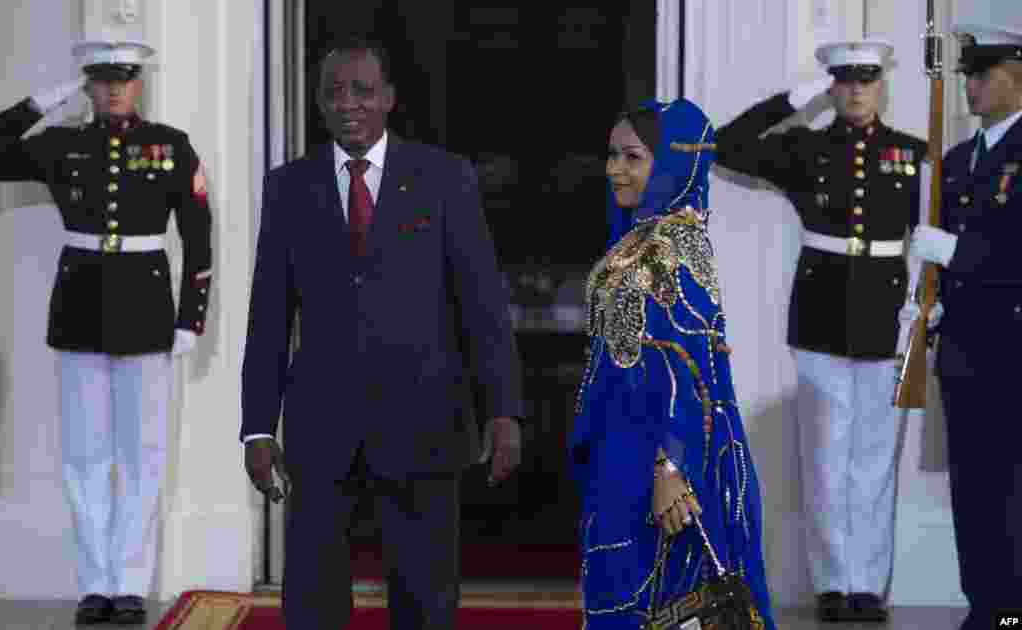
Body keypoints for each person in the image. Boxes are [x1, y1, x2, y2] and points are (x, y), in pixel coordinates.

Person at [240, 37, 525, 629]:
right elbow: (268, 316)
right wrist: (258, 427)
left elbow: (483, 307)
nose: (348, 104)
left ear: (390, 97)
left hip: (424, 420)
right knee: (312, 600)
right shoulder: (288, 187)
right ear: (319, 102)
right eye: (334, 92)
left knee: (425, 597)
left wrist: (503, 410)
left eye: (362, 90)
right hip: (322, 426)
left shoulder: (445, 178)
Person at [0, 41, 212, 625]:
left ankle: (131, 585)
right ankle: (95, 584)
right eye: (100, 79)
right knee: (84, 456)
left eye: (124, 78)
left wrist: (190, 317)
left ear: (139, 83)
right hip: (80, 311)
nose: (114, 89)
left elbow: (198, 235)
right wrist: (40, 102)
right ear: (87, 86)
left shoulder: (171, 145)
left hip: (147, 312)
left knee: (143, 456)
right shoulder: (60, 144)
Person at [713, 39, 927, 622]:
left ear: (881, 85)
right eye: (845, 80)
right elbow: (726, 144)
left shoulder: (912, 153)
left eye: (866, 80)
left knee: (874, 461)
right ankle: (832, 584)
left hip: (888, 316)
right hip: (821, 314)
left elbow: (931, 230)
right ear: (833, 86)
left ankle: (868, 586)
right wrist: (795, 99)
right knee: (826, 457)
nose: (856, 90)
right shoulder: (804, 148)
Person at [569, 98, 776, 630]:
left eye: (633, 157)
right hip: (625, 448)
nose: (615, 169)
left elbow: (686, 369)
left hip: (659, 462)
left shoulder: (669, 248)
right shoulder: (641, 236)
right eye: (612, 155)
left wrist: (671, 467)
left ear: (672, 165)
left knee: (660, 604)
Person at [907, 22, 1022, 630]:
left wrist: (956, 253)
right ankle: (986, 605)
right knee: (972, 490)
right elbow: (936, 260)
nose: (969, 86)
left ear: (1016, 76)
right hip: (963, 352)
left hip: (1014, 350)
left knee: (1013, 490)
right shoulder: (954, 162)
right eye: (967, 74)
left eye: (982, 73)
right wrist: (927, 304)